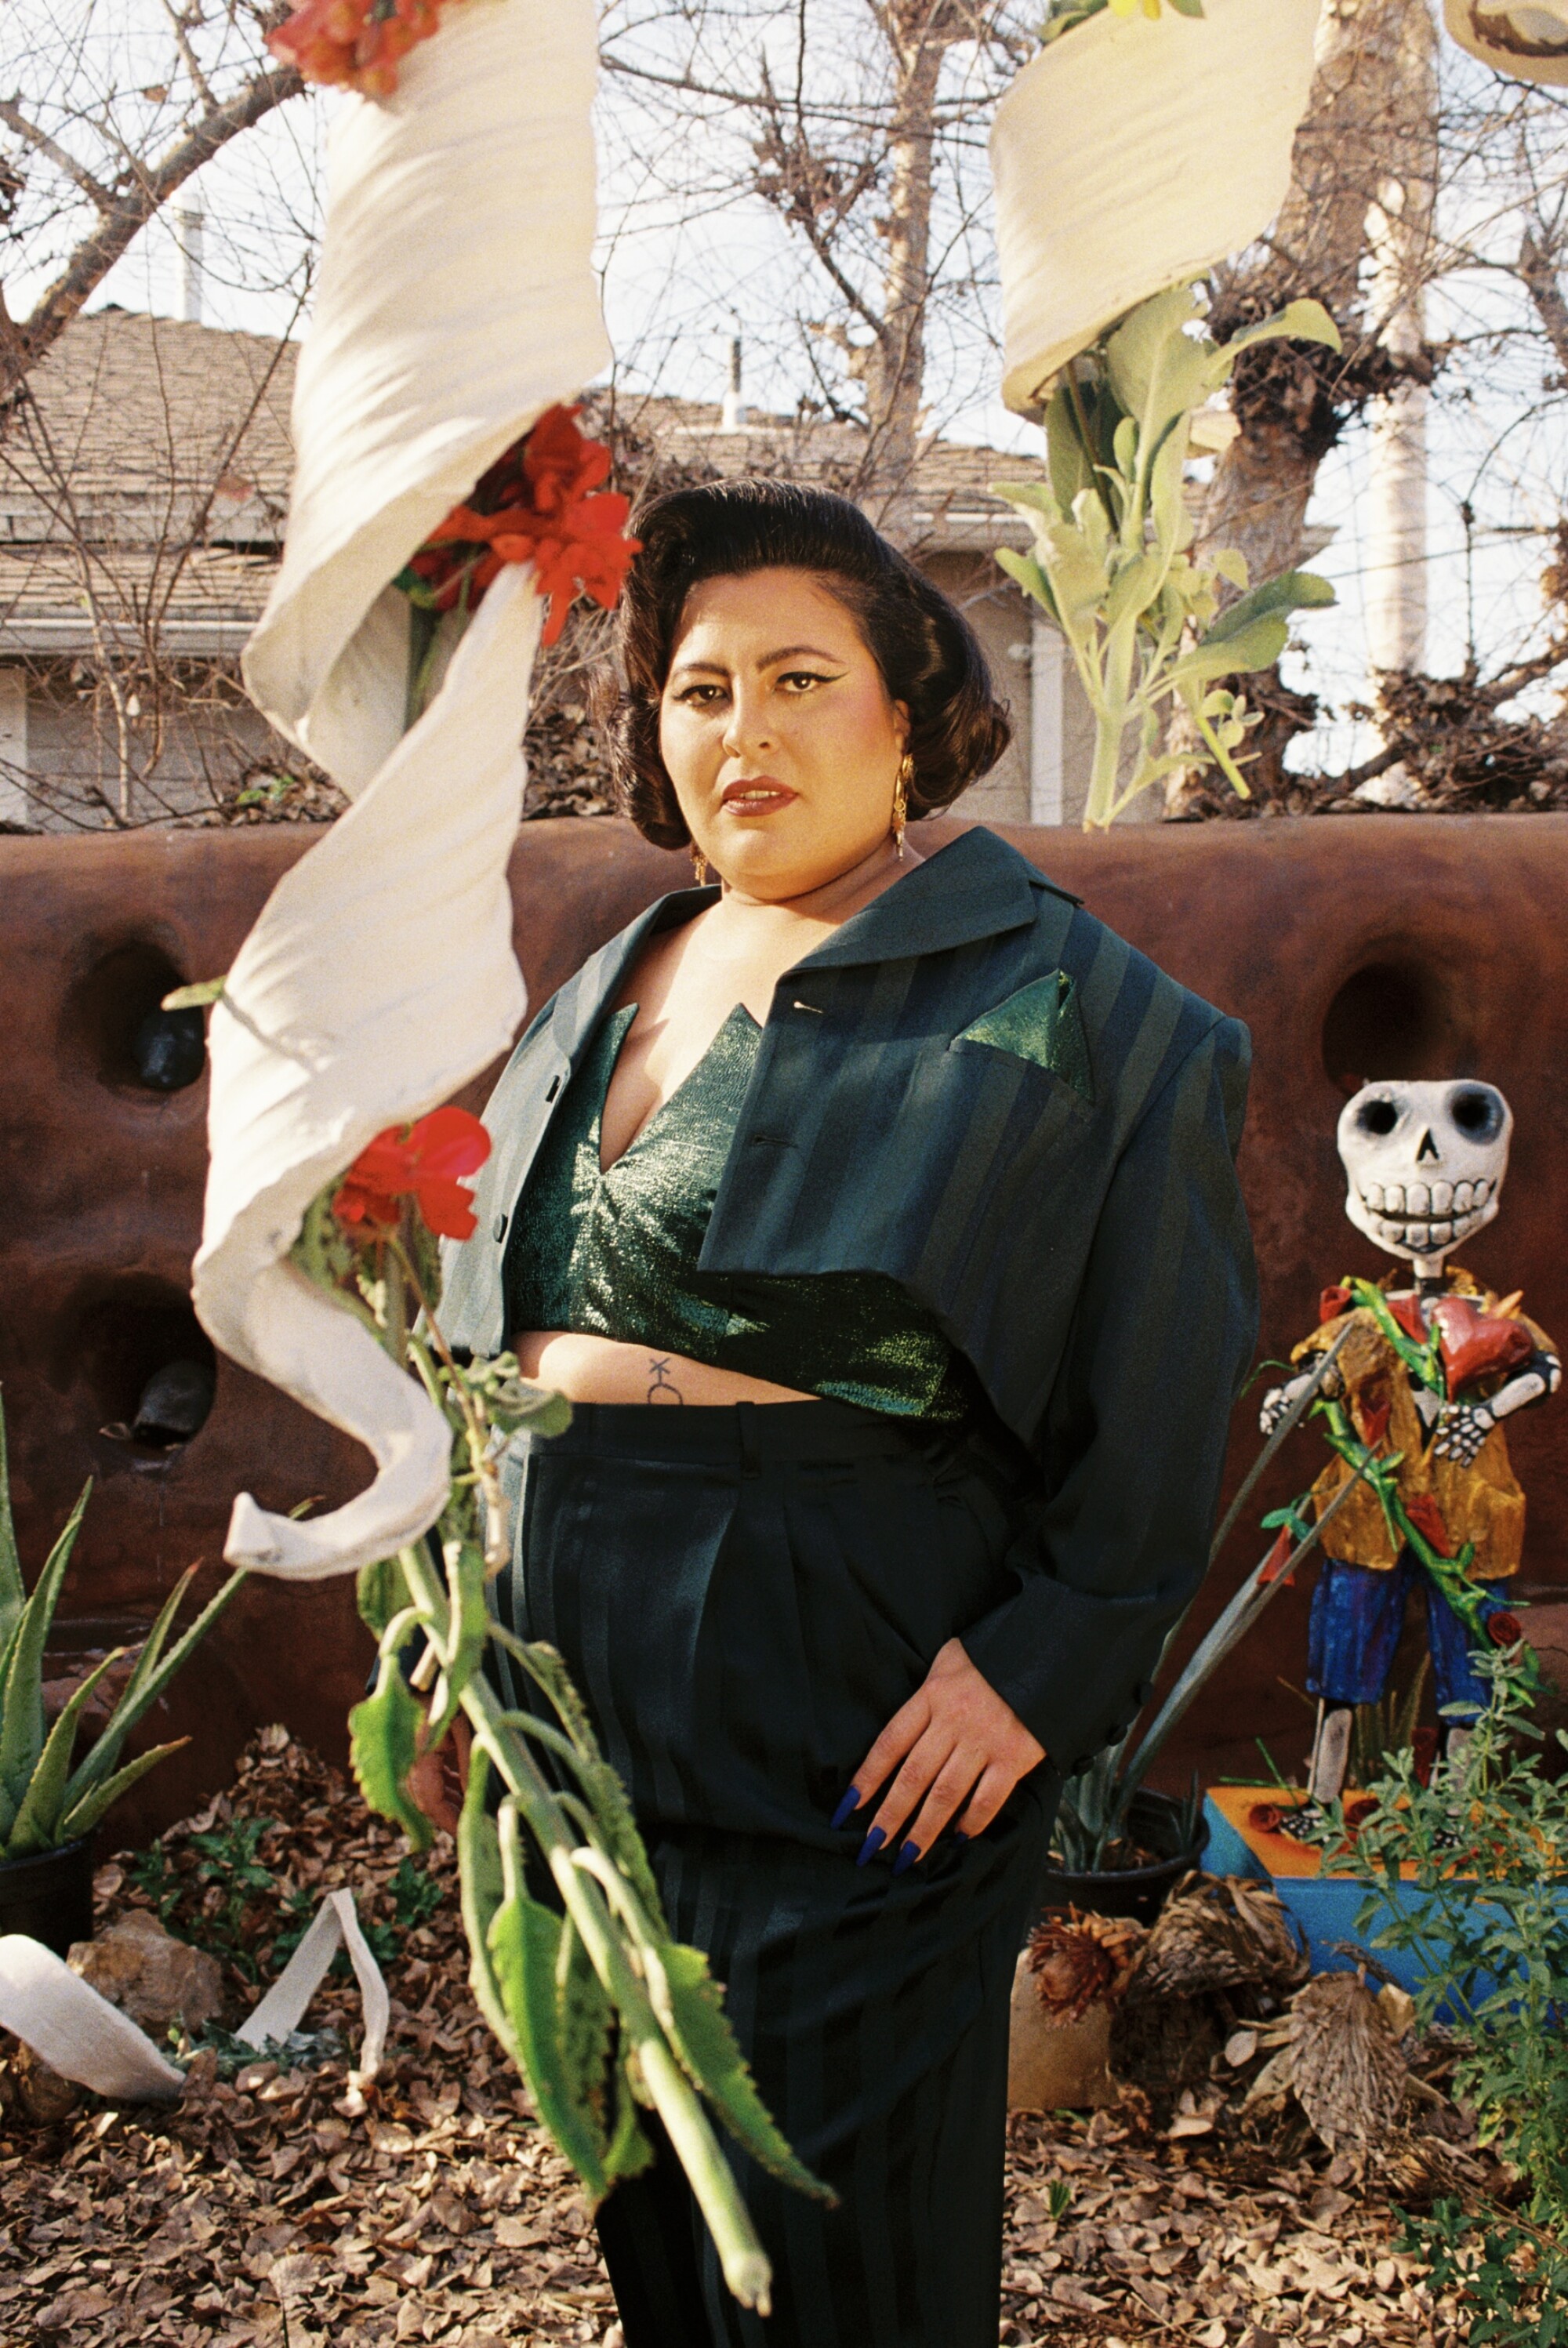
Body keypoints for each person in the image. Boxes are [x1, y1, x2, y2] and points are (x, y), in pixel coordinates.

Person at [438, 480, 1258, 2348]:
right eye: (699, 689)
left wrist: (1043, 1664)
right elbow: (492, 1329)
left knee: (837, 2240)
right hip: (581, 1678)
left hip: (856, 1690)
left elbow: (1160, 1373)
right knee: (658, 2204)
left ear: (909, 711)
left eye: (799, 677)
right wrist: (460, 1634)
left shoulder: (1076, 1003)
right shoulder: (604, 982)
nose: (744, 731)